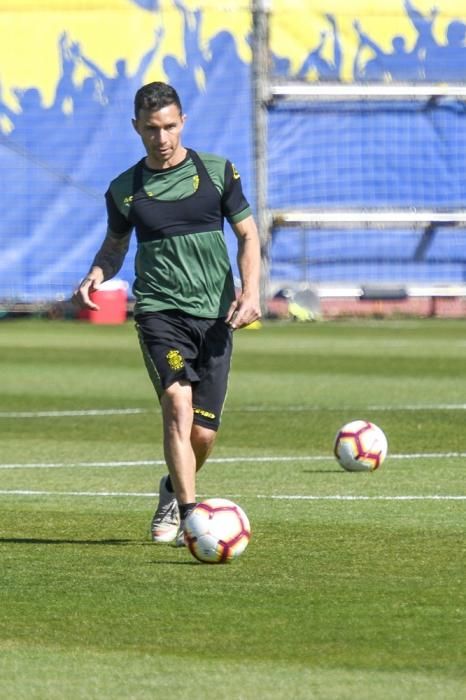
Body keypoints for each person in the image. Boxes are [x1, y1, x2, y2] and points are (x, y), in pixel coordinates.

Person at [73, 81, 261, 546]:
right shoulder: (125, 189)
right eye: (152, 129)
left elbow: (249, 237)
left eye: (170, 126)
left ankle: (171, 491)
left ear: (183, 122)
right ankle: (193, 517)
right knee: (176, 404)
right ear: (136, 128)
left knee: (203, 435)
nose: (162, 138)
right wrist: (97, 272)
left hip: (216, 316)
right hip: (160, 313)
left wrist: (251, 292)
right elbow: (116, 245)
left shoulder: (218, 172)